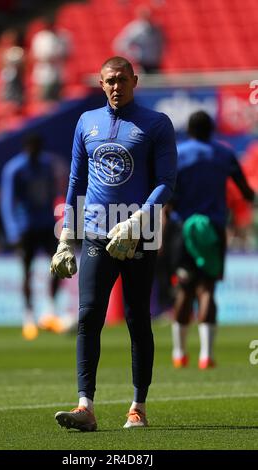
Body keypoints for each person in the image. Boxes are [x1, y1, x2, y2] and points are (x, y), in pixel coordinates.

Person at [50, 56, 177, 431]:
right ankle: (85, 406)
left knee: (138, 317)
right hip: (96, 230)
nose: (116, 86)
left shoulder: (157, 123)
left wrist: (139, 220)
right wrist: (65, 238)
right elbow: (77, 182)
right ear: (99, 82)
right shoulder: (85, 122)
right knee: (89, 315)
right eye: (109, 81)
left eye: (122, 79)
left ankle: (138, 406)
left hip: (140, 232)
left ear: (135, 81)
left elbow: (167, 181)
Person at [169, 111, 256, 369]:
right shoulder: (224, 153)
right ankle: (206, 355)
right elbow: (244, 190)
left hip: (183, 227)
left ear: (190, 130)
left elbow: (167, 190)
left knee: (184, 288)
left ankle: (179, 353)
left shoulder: (179, 154)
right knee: (207, 289)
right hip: (214, 228)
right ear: (212, 129)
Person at [0, 134, 63, 340]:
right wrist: (12, 230)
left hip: (45, 223)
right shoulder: (15, 168)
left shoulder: (46, 165)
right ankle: (28, 317)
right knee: (26, 270)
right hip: (25, 225)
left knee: (58, 263)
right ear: (27, 148)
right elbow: (7, 201)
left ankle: (50, 310)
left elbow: (53, 191)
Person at [113, 5, 165, 74]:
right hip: (142, 63)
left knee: (156, 82)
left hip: (155, 62)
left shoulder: (156, 28)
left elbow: (161, 43)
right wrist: (133, 55)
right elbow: (121, 44)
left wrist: (160, 54)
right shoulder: (135, 29)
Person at [30, 18, 71, 102]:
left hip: (59, 73)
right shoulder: (39, 37)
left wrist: (58, 57)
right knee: (44, 101)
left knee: (59, 101)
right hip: (43, 75)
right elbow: (34, 56)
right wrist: (47, 58)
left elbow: (68, 54)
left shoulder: (63, 35)